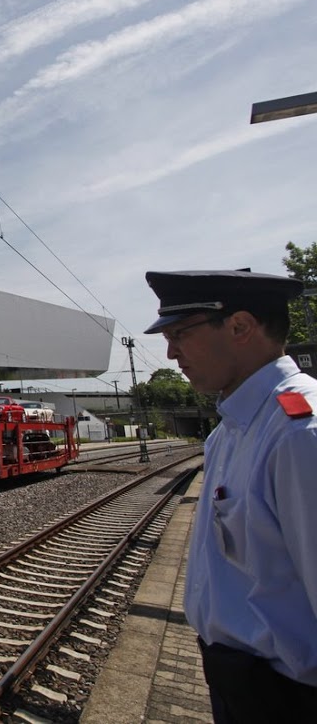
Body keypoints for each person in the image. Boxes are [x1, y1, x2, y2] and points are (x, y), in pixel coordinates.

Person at [144, 268, 317, 722]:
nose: (170, 351)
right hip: (236, 685)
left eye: (181, 332)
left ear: (240, 326)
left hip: (288, 697)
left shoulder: (300, 433)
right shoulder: (228, 434)